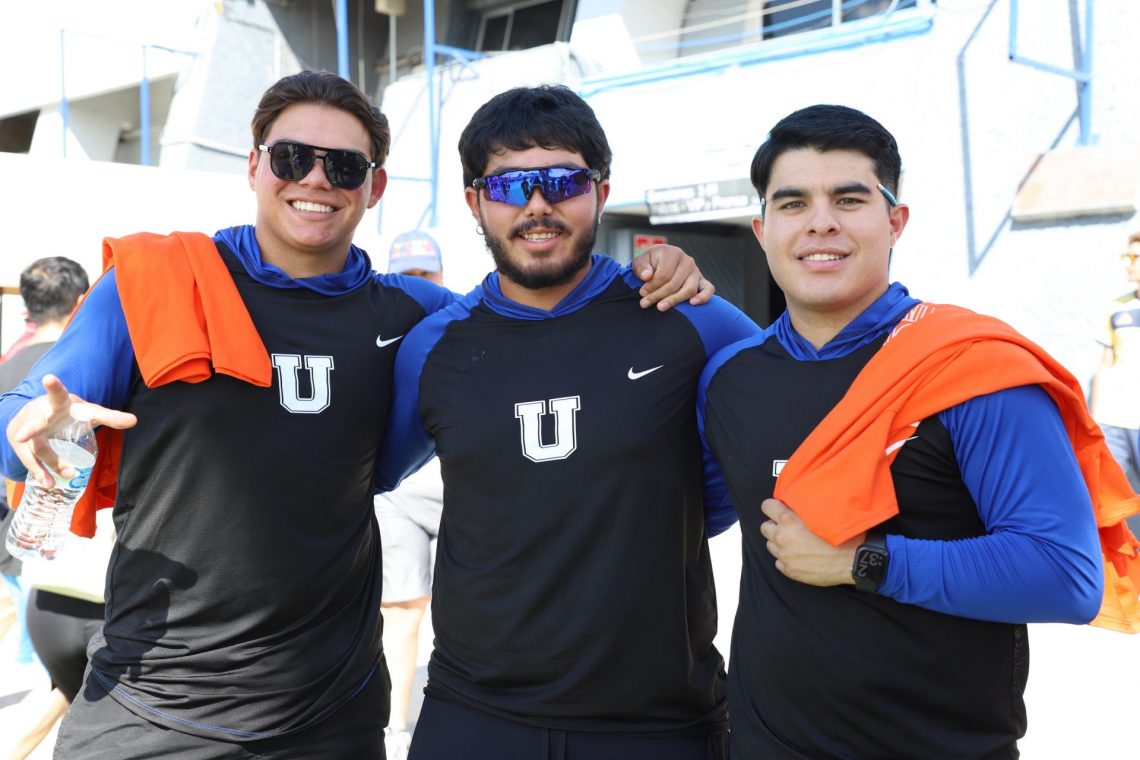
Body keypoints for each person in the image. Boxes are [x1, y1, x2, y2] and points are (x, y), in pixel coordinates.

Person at [0, 71, 709, 759]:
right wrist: (29, 426)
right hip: (155, 707)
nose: (315, 180)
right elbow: (25, 423)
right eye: (291, 158)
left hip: (330, 716)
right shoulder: (154, 285)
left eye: (342, 166)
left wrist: (660, 267)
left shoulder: (416, 318)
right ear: (253, 167)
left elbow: (537, 318)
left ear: (374, 187)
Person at [697, 104, 1140, 758]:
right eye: (792, 204)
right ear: (763, 231)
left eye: (849, 199)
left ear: (895, 221)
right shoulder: (727, 378)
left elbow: (1067, 576)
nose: (820, 221)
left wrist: (861, 562)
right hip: (763, 745)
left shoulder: (973, 370)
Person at [375, 84, 760, 760]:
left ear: (600, 193)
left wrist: (669, 517)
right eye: (509, 185)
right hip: (474, 716)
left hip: (658, 722)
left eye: (563, 181)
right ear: (474, 202)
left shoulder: (690, 318)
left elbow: (777, 436)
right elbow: (363, 475)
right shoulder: (433, 347)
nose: (537, 204)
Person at [0, 257, 90, 678]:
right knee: (46, 677)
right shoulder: (74, 372)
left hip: (14, 529)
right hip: (52, 542)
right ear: (81, 300)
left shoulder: (9, 365)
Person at [377, 230, 446, 760]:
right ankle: (395, 728)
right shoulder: (376, 325)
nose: (418, 283)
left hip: (463, 495)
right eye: (409, 275)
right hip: (399, 495)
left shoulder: (458, 321)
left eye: (426, 274)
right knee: (402, 613)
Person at [1091, 231, 1140, 532]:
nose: (1128, 263)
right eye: (1126, 256)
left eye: (1135, 257)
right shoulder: (1115, 307)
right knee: (1107, 500)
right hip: (1114, 420)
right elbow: (1105, 364)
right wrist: (1094, 419)